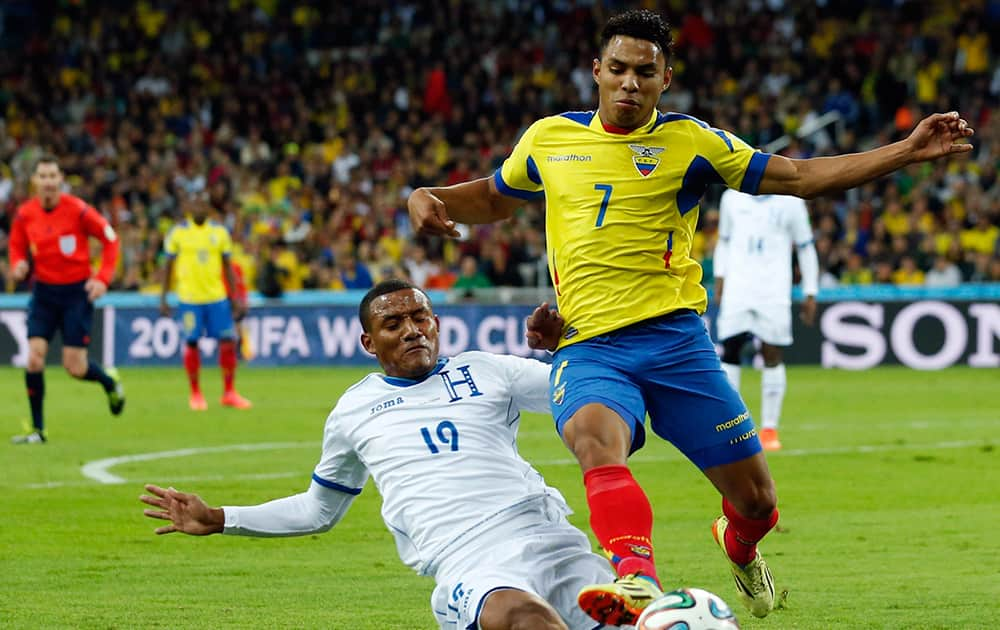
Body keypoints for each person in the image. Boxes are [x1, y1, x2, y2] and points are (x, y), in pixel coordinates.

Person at [406, 8, 973, 625]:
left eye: (644, 73)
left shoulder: (692, 143)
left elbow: (802, 176)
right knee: (598, 444)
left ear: (665, 78)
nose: (629, 83)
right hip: (589, 346)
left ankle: (739, 544)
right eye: (617, 69)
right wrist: (427, 194)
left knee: (757, 503)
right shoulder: (549, 139)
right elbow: (494, 197)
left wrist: (907, 151)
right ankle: (637, 583)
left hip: (678, 346)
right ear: (596, 71)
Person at [140, 279, 625, 630]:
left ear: (436, 324)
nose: (412, 330)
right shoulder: (354, 410)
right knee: (523, 620)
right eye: (393, 324)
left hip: (549, 536)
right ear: (369, 343)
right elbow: (318, 509)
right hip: (469, 562)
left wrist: (566, 351)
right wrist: (222, 518)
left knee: (649, 619)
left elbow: (589, 395)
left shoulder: (489, 370)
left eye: (419, 318)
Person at [7, 155, 126, 444]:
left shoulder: (79, 211)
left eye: (53, 176)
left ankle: (109, 381)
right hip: (44, 293)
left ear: (61, 180)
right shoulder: (25, 214)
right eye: (43, 176)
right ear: (35, 181)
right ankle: (38, 430)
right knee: (34, 358)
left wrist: (102, 278)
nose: (48, 182)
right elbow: (16, 246)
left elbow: (110, 240)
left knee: (75, 367)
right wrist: (19, 263)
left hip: (76, 294)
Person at [713, 190, 820, 451]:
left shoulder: (792, 202)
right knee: (731, 350)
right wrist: (720, 278)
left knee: (771, 353)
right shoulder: (731, 198)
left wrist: (810, 290)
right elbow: (724, 241)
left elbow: (805, 248)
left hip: (773, 290)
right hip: (738, 287)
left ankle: (770, 428)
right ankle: (733, 426)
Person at [159, 193, 251, 411]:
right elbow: (168, 268)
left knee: (228, 341)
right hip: (189, 299)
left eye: (203, 203)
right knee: (192, 343)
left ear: (208, 207)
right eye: (195, 203)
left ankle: (229, 392)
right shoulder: (178, 233)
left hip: (217, 297)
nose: (199, 207)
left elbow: (228, 267)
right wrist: (163, 297)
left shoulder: (219, 232)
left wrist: (235, 296)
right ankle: (196, 394)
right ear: (189, 207)